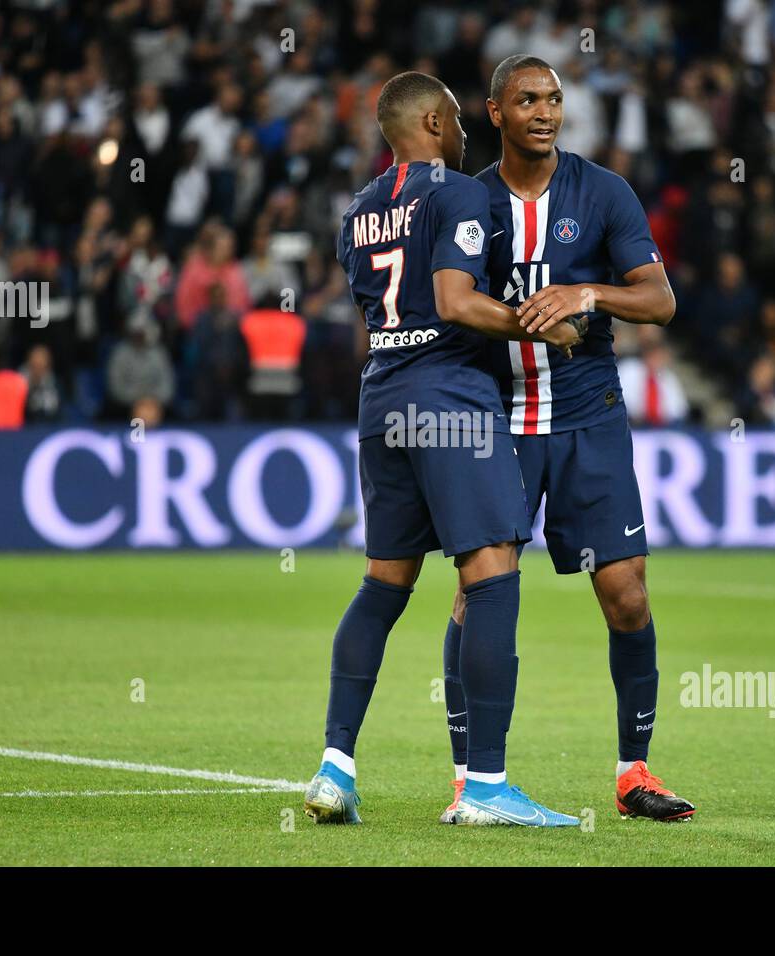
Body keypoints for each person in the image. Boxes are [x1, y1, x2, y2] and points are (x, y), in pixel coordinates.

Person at [303, 70, 583, 828]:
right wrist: (540, 322)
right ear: (430, 122)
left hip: (382, 396)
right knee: (492, 575)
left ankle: (335, 769)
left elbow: (385, 307)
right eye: (456, 119)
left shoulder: (357, 210)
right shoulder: (457, 192)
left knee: (383, 585)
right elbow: (456, 303)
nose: (465, 133)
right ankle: (485, 786)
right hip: (450, 396)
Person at [437, 55, 694, 825]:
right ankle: (470, 778)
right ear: (496, 113)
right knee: (477, 594)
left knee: (627, 594)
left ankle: (634, 772)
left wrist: (589, 290)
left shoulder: (604, 191)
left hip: (589, 418)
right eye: (527, 100)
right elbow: (449, 304)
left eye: (553, 99)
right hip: (499, 420)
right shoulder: (468, 202)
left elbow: (660, 300)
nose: (545, 112)